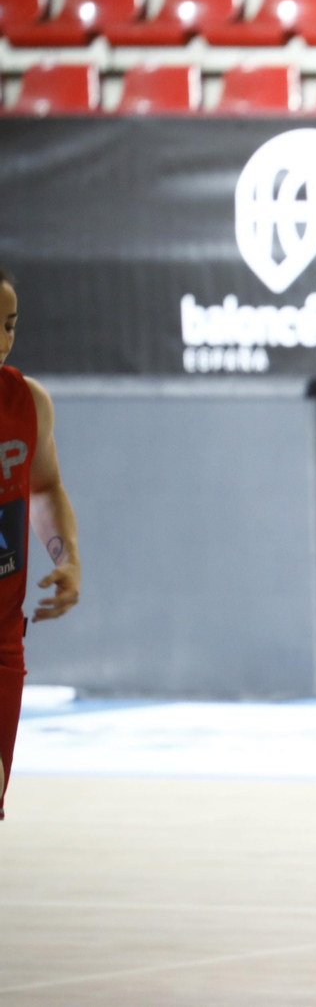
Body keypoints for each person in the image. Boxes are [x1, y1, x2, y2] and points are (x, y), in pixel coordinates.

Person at [0, 267, 83, 820]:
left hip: (3, 644)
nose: (2, 339)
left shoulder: (28, 402)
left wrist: (67, 558)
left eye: (9, 325)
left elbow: (46, 485)